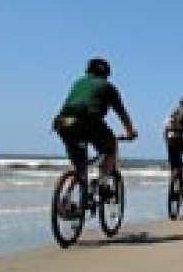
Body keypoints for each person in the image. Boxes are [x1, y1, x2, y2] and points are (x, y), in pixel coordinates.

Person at [52, 58, 138, 188]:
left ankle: (66, 200)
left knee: (79, 166)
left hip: (62, 123)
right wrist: (130, 132)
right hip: (88, 122)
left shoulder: (78, 82)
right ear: (107, 74)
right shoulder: (108, 87)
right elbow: (122, 113)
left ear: (88, 70)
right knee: (110, 148)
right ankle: (102, 183)